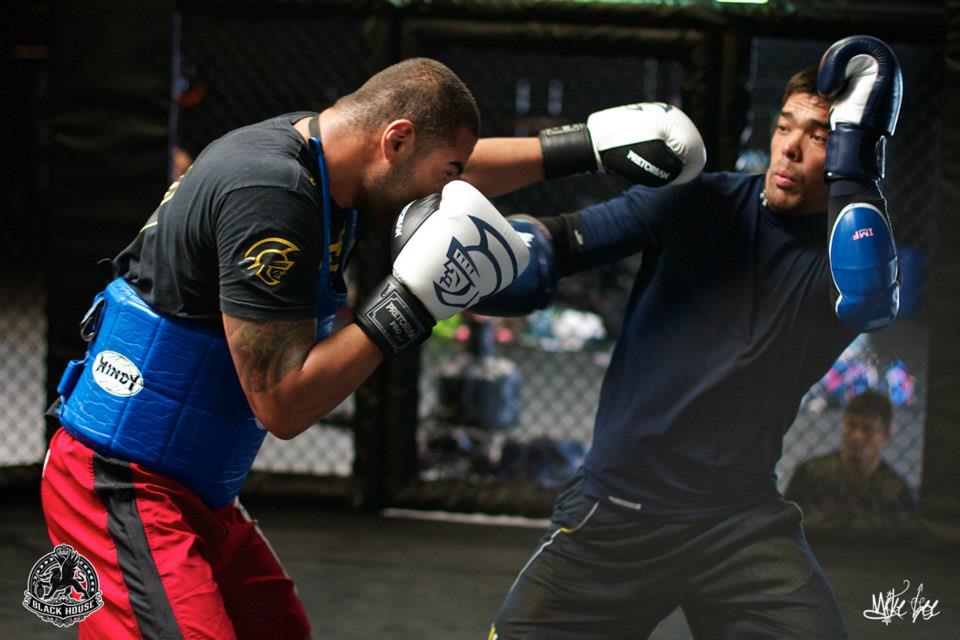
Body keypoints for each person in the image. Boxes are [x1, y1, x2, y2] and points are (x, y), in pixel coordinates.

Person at [41, 55, 704, 639]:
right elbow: (285, 406)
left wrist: (581, 145)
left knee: (275, 629)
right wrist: (410, 304)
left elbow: (452, 162)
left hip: (194, 485)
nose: (448, 193)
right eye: (444, 174)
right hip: (122, 482)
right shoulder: (270, 193)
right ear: (395, 139)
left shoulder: (328, 153)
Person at [476, 36, 903, 639]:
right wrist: (488, 259)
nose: (791, 149)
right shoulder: (699, 199)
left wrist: (857, 161)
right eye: (787, 127)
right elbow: (563, 242)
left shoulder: (847, 257)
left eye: (822, 137)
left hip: (738, 522)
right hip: (617, 511)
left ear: (849, 153)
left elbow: (868, 293)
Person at [786, 389, 917, 532]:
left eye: (868, 429)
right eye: (852, 425)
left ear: (886, 435)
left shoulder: (896, 491)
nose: (856, 436)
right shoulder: (810, 474)